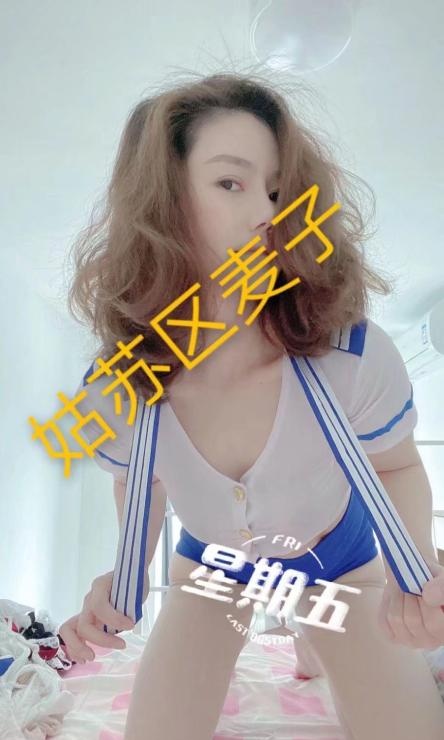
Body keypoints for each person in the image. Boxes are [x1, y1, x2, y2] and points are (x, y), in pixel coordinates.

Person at [60, 72, 444, 739]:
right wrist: (123, 574)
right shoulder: (117, 385)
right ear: (163, 200)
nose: (268, 213)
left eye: (277, 189)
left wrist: (417, 569)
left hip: (338, 564)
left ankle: (309, 638)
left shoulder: (349, 354)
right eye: (230, 182)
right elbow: (139, 481)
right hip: (214, 569)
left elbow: (396, 466)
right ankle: (304, 635)